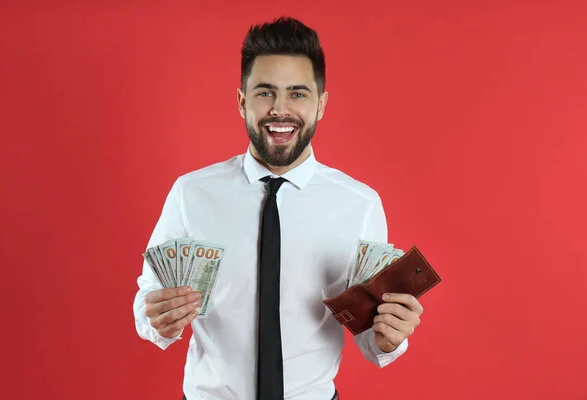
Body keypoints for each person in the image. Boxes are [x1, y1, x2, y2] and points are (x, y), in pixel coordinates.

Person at [132, 16, 424, 400]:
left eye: (298, 94)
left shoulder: (360, 205)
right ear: (242, 101)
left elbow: (371, 337)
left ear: (321, 105)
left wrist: (390, 337)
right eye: (265, 92)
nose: (280, 110)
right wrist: (156, 320)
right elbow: (148, 297)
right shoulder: (191, 193)